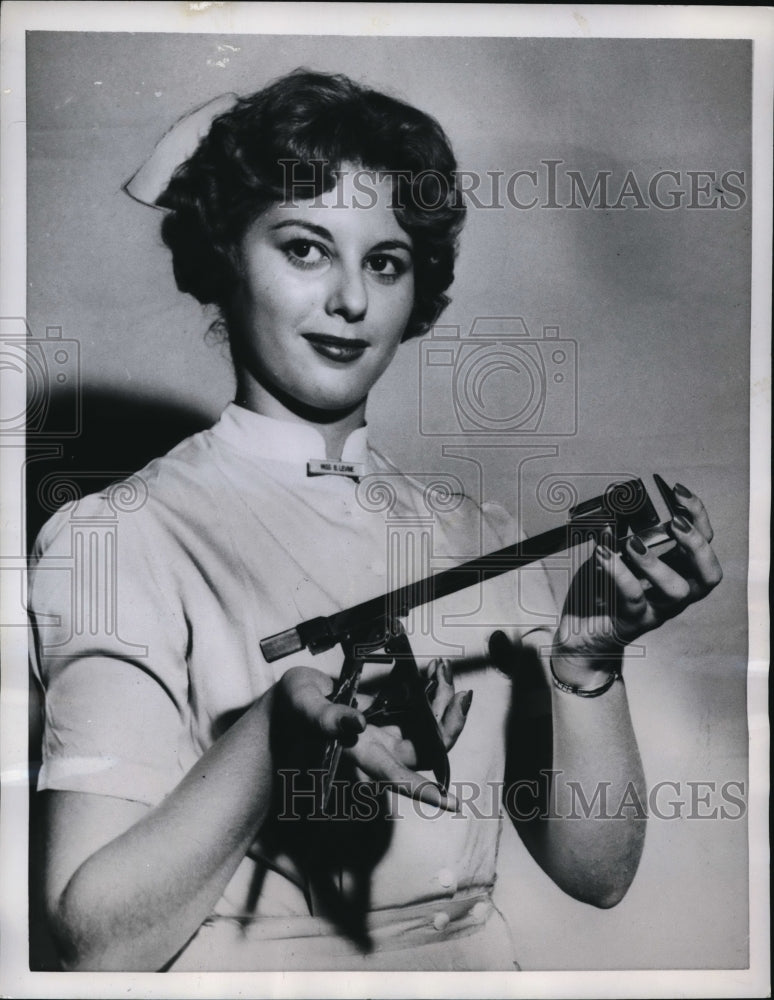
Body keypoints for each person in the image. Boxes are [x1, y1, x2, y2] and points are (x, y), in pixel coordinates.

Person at [28, 69, 723, 973]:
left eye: (384, 261)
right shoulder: (118, 537)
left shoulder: (479, 533)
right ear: (224, 257)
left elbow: (596, 872)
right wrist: (274, 738)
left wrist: (589, 666)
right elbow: (93, 945)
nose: (351, 301)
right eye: (307, 249)